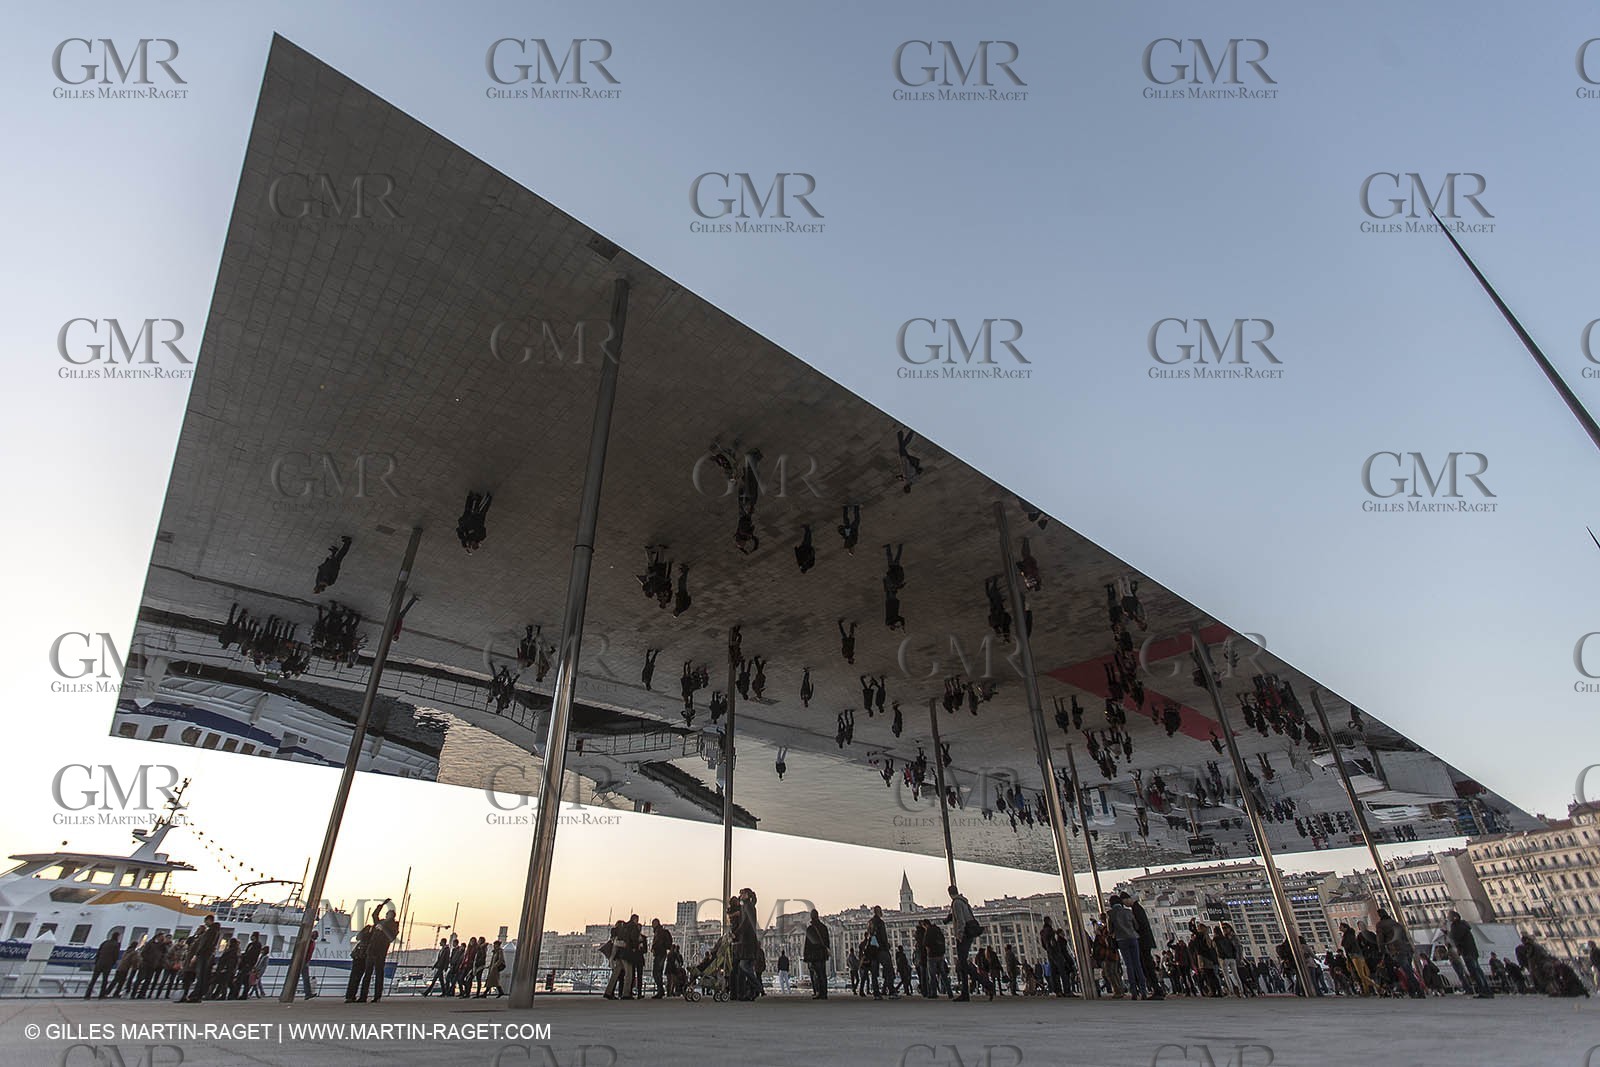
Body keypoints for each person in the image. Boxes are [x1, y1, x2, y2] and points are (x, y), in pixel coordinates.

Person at [1110, 895, 1148, 999]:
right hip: (1133, 938)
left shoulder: (1111, 914)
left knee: (1129, 965)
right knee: (1137, 964)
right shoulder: (1128, 912)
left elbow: (1110, 930)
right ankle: (1143, 991)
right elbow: (1136, 925)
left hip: (1121, 940)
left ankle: (1134, 992)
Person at [1448, 911, 1493, 998]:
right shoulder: (1464, 926)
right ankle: (1487, 990)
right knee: (1478, 971)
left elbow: (1456, 937)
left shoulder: (1457, 927)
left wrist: (1448, 933)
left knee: (1475, 972)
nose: (1448, 918)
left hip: (1467, 952)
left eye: (1449, 917)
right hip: (1472, 951)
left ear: (1455, 918)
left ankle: (1483, 991)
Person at [946, 884, 977, 1001]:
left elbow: (960, 920)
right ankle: (969, 989)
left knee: (963, 964)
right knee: (963, 963)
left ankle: (967, 992)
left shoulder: (956, 903)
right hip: (968, 934)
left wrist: (959, 934)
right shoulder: (964, 902)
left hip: (963, 935)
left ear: (949, 893)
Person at [183, 916, 221, 1003]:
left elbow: (205, 944)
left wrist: (197, 955)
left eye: (206, 921)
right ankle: (197, 994)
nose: (205, 923)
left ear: (209, 920)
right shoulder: (214, 931)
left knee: (201, 975)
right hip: (206, 955)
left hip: (203, 956)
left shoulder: (212, 931)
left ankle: (196, 995)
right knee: (202, 976)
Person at [865, 905, 892, 998]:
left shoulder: (869, 923)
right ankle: (891, 991)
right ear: (878, 912)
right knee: (888, 969)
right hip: (881, 949)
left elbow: (868, 936)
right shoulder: (880, 923)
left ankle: (876, 993)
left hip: (872, 950)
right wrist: (886, 946)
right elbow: (883, 936)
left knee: (874, 972)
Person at [803, 909, 831, 998]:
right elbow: (827, 942)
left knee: (817, 974)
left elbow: (808, 944)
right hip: (822, 954)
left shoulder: (810, 929)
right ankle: (824, 993)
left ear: (811, 917)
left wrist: (806, 956)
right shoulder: (824, 927)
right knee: (823, 974)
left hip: (814, 955)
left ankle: (819, 992)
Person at [87, 931, 121, 999]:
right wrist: (113, 963)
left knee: (93, 979)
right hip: (108, 964)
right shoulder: (116, 944)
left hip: (99, 962)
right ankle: (101, 995)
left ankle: (87, 995)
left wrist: (96, 961)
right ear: (117, 937)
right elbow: (115, 955)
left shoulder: (105, 942)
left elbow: (98, 952)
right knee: (105, 980)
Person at [650, 918, 673, 998]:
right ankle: (661, 990)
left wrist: (654, 948)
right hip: (662, 953)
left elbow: (658, 942)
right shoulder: (661, 931)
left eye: (653, 924)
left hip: (659, 953)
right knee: (658, 972)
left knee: (656, 972)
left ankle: (660, 990)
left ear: (656, 923)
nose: (652, 925)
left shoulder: (659, 932)